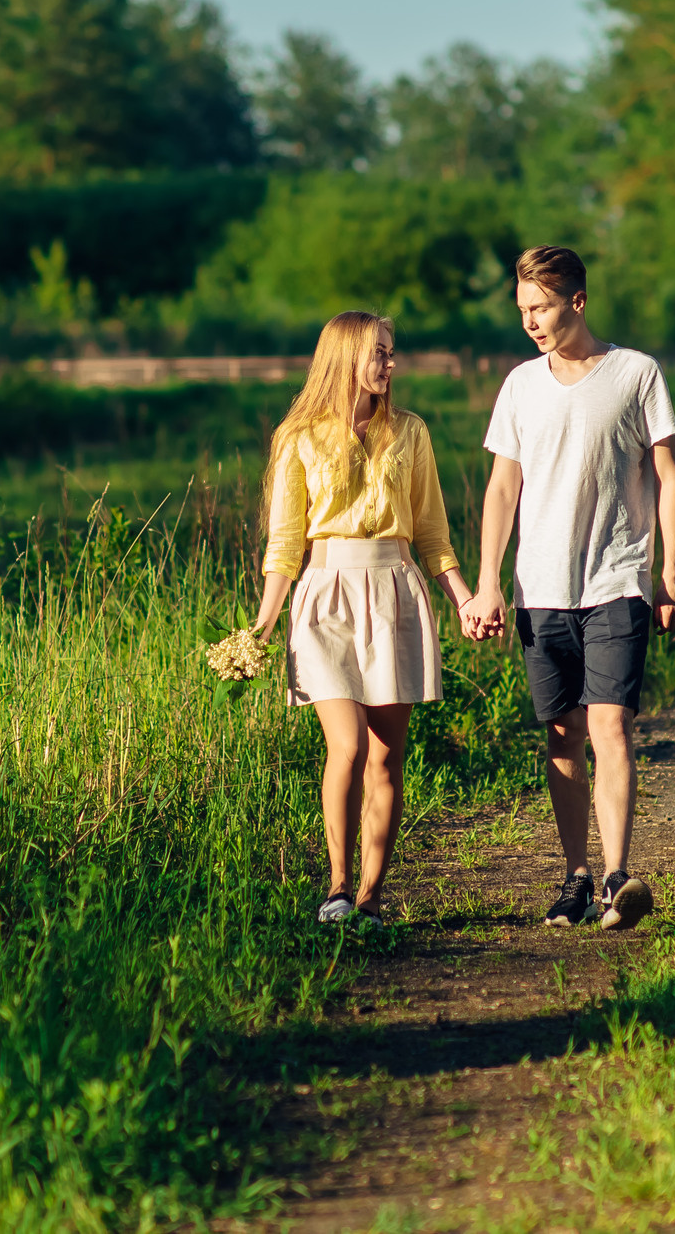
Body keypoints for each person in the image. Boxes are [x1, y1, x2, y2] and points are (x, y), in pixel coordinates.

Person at [462, 247, 675, 930]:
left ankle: (618, 877)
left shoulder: (636, 373)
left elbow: (668, 475)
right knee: (562, 733)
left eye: (541, 307)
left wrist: (668, 573)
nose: (530, 321)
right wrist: (486, 583)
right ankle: (576, 878)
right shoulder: (520, 386)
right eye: (523, 310)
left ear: (577, 302)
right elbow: (503, 488)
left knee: (610, 724)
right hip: (541, 589)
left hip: (617, 579)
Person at [251, 311, 474, 924]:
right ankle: (338, 886)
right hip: (324, 596)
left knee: (384, 755)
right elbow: (284, 544)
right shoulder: (298, 437)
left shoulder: (410, 431)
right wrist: (263, 626)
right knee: (345, 746)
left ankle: (373, 897)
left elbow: (431, 530)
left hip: (395, 590)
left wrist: (463, 597)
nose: (390, 363)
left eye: (391, 352)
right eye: (379, 352)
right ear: (345, 355)